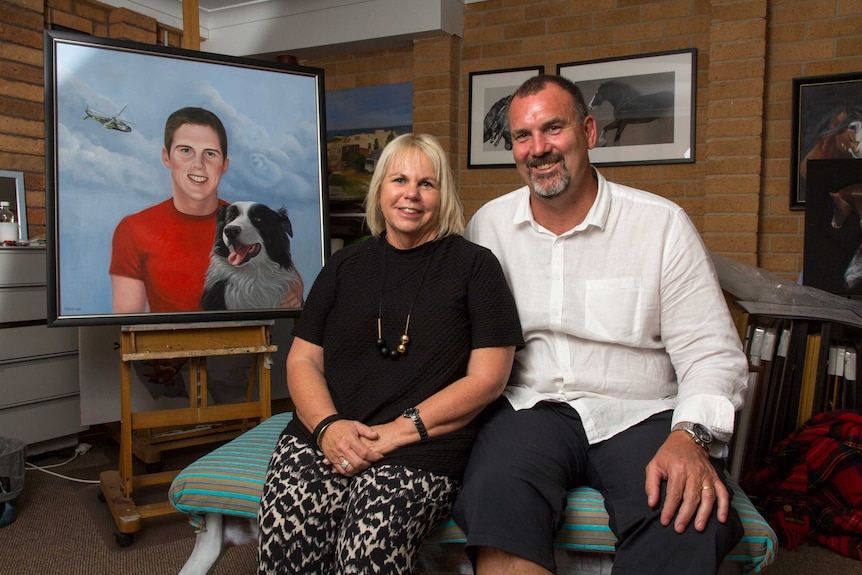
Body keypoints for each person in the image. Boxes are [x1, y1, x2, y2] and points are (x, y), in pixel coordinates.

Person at [452, 74, 750, 575]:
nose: (538, 148)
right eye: (523, 136)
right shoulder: (488, 228)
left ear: (588, 131)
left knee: (686, 513)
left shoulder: (660, 225)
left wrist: (690, 437)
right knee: (495, 492)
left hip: (642, 413)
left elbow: (710, 353)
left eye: (553, 129)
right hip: (531, 408)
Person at [257, 133, 524, 575]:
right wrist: (328, 428)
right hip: (326, 433)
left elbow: (489, 379)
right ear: (380, 189)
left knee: (366, 552)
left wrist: (395, 434)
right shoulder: (344, 266)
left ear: (443, 195)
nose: (411, 195)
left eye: (427, 183)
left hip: (421, 447)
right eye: (399, 179)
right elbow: (303, 360)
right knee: (290, 544)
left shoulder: (476, 267)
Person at [109, 106, 303, 313]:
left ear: (224, 164)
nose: (198, 164)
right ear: (166, 157)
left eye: (210, 153)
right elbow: (128, 321)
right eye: (185, 150)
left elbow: (286, 271)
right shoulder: (133, 229)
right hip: (167, 343)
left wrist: (295, 292)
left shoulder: (250, 222)